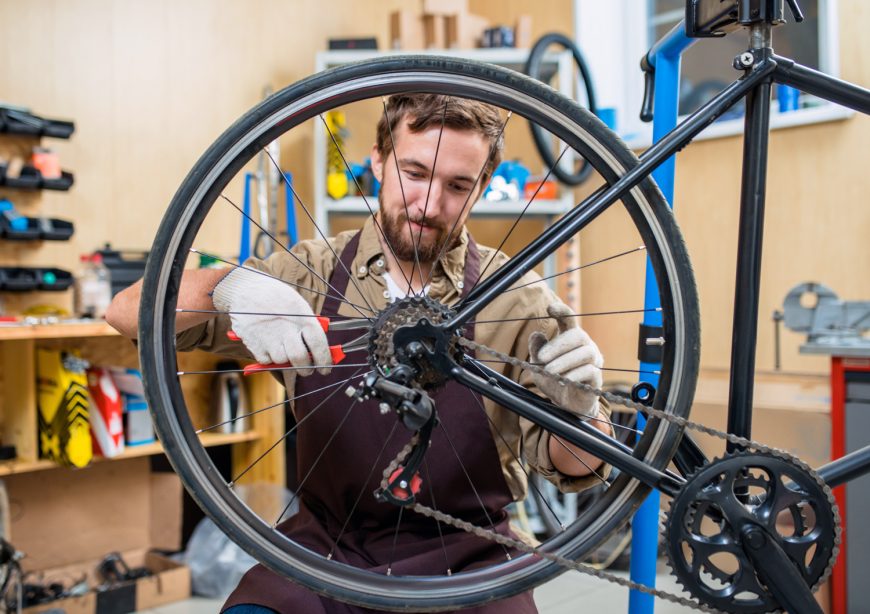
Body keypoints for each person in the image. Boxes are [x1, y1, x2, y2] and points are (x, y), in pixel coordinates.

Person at [106, 93, 612, 614]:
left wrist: (582, 413)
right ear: (378, 159)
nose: (429, 204)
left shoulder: (521, 302)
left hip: (470, 565)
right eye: (415, 173)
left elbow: (575, 464)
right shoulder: (310, 273)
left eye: (457, 186)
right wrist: (230, 287)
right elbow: (125, 311)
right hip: (322, 556)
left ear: (482, 188)